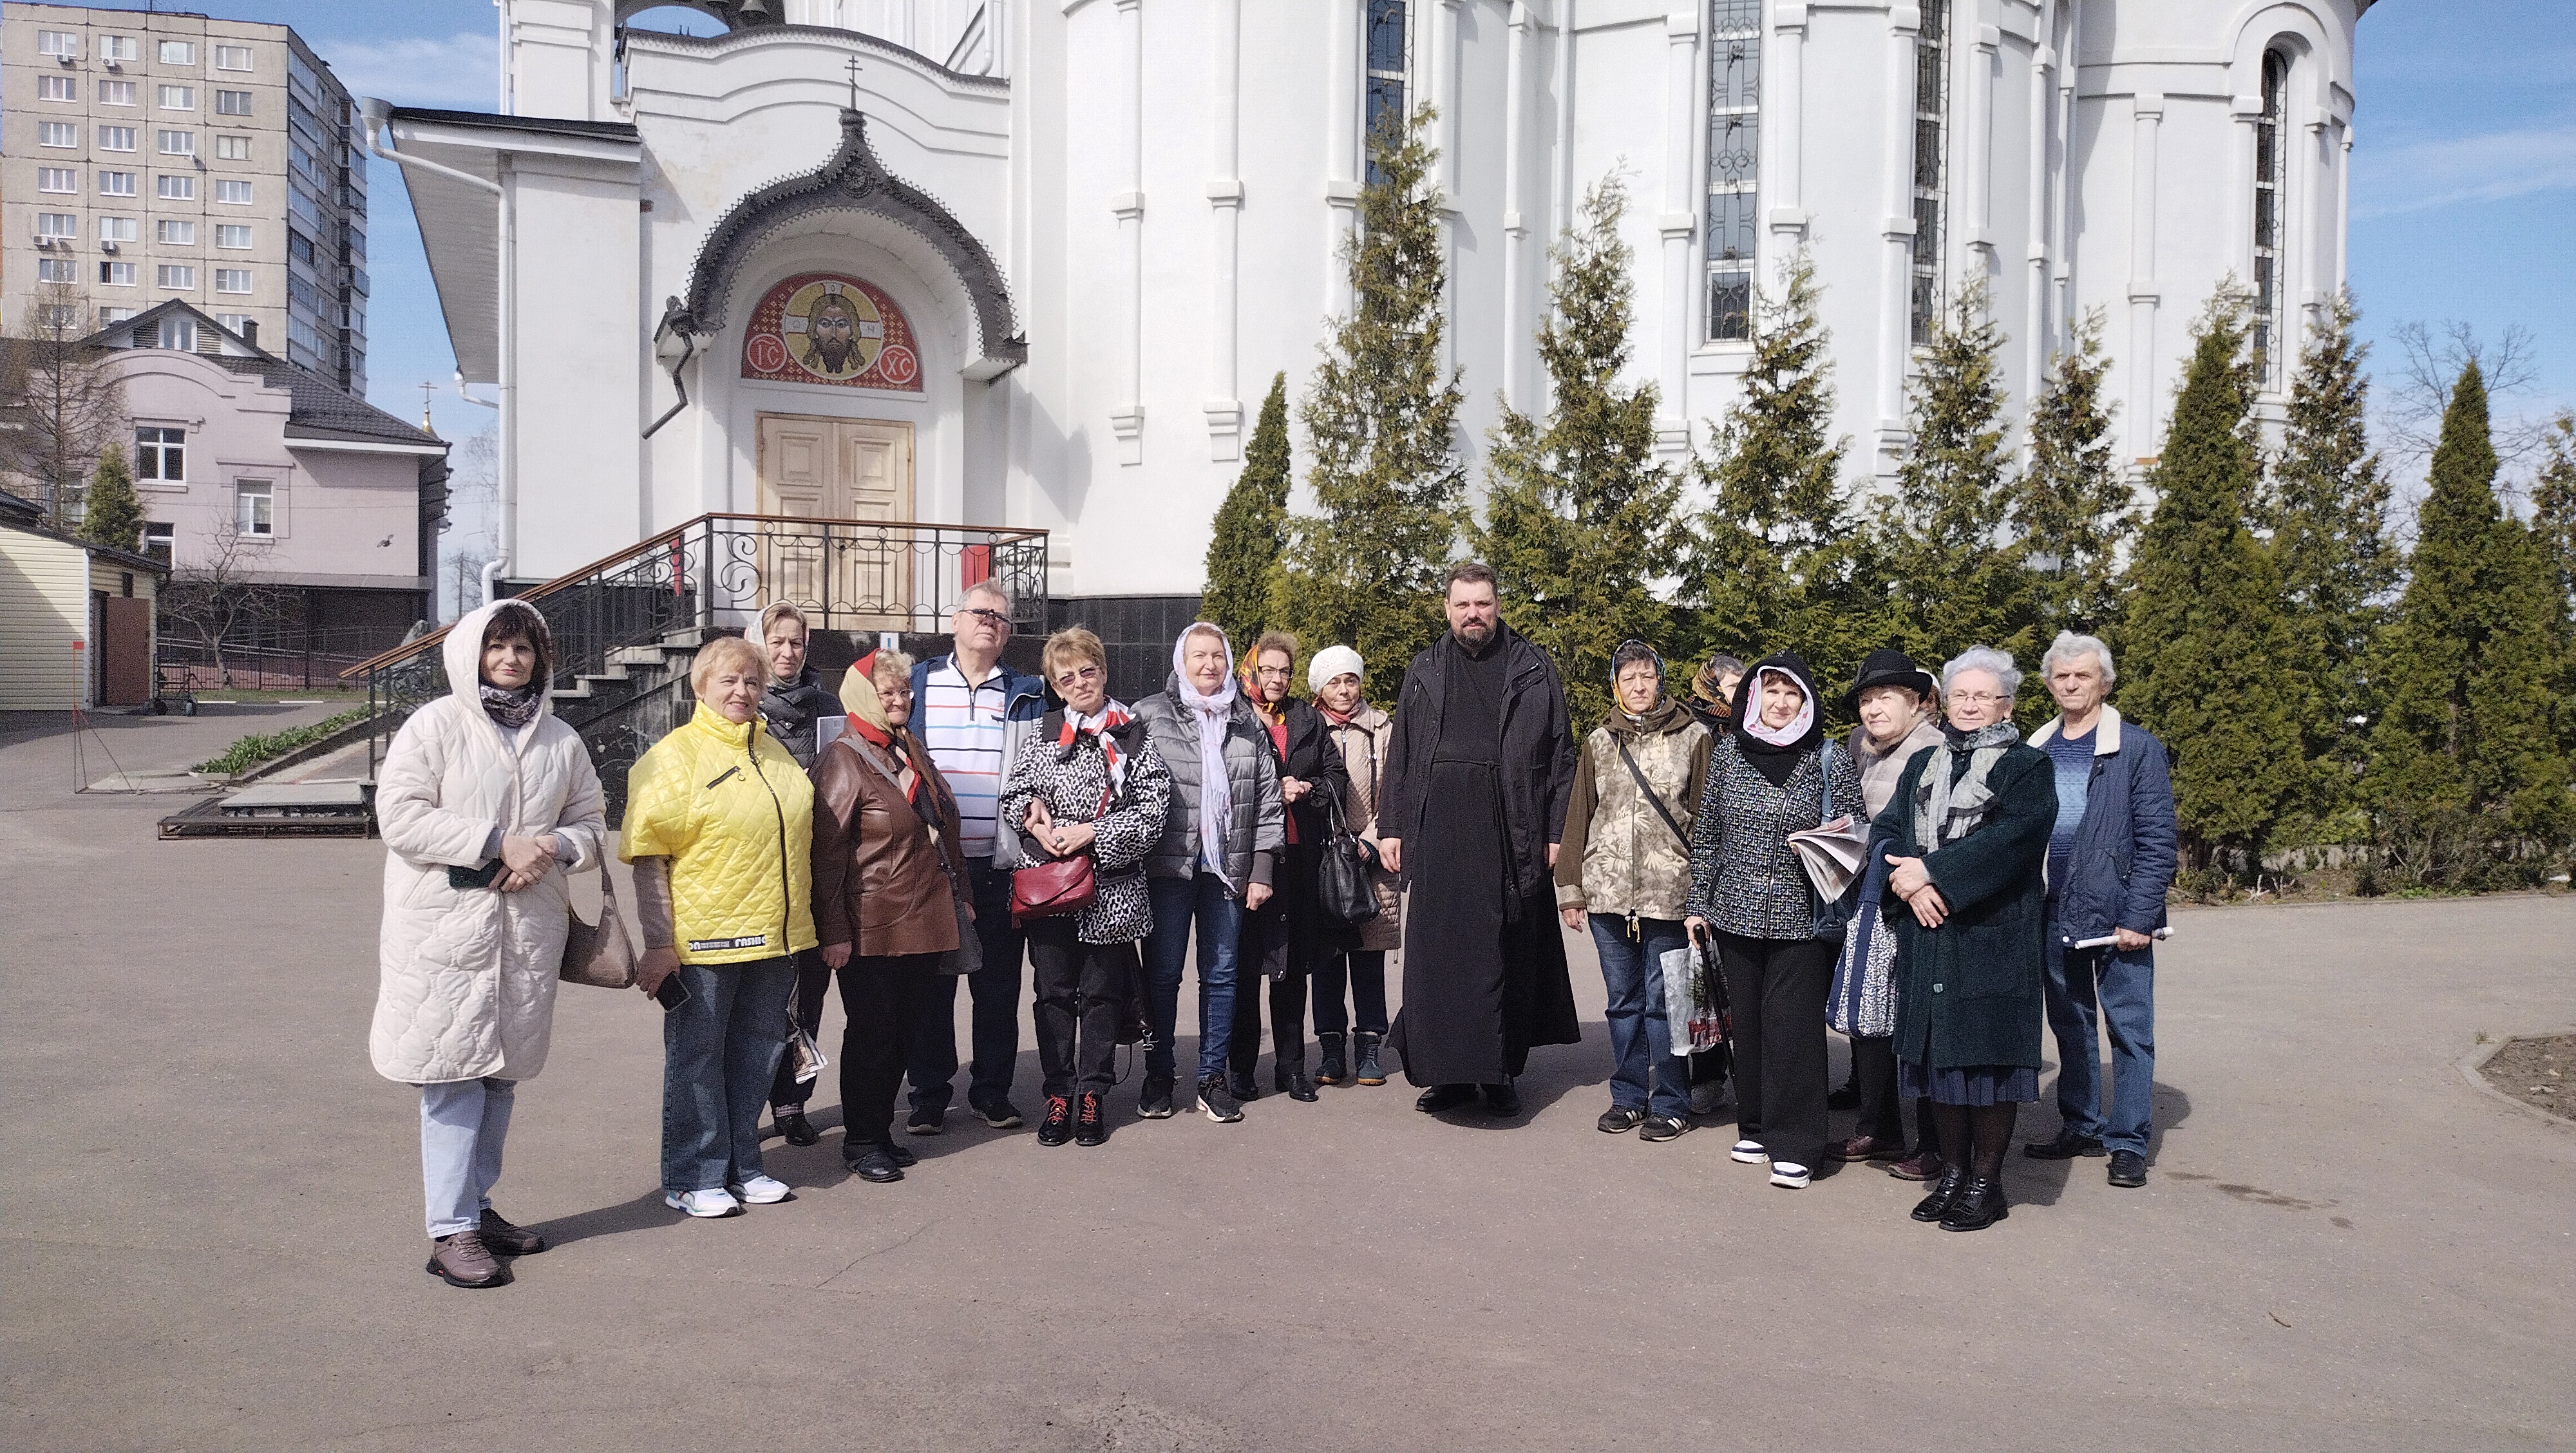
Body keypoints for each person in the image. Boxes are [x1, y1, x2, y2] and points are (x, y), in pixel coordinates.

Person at [374, 600, 607, 1289]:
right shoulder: (436, 726)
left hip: (527, 932)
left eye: (523, 648)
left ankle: (476, 1207)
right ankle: (450, 1230)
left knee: (500, 1075)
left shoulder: (560, 739)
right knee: (452, 1076)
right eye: (497, 646)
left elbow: (592, 824)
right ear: (473, 652)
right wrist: (496, 842)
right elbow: (400, 817)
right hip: (445, 934)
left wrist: (551, 849)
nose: (510, 659)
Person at [624, 634, 819, 1219]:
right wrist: (659, 944)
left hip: (774, 938)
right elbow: (649, 858)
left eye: (752, 681)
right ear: (701, 686)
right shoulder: (673, 758)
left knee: (758, 1055)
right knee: (698, 1059)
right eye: (729, 680)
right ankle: (693, 1175)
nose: (742, 691)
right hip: (703, 943)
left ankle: (744, 1166)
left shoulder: (776, 753)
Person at [1378, 562, 1582, 1117]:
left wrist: (1556, 833)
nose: (1474, 614)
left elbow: (1561, 756)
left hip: (1509, 825)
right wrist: (1392, 825)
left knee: (1503, 952)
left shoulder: (1533, 666)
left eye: (1483, 604)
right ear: (1447, 609)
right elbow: (1401, 755)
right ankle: (1447, 1076)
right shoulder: (1424, 667)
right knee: (1439, 958)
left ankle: (1499, 1075)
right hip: (1437, 830)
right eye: (1463, 605)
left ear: (1498, 606)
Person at [1871, 646, 2056, 1232]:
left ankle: (1986, 1183)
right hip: (1928, 935)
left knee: (1987, 1067)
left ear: (2007, 705)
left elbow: (2014, 839)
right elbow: (1888, 830)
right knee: (1941, 1067)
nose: (1970, 705)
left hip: (1990, 938)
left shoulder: (2027, 767)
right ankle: (1951, 1176)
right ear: (1944, 702)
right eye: (1960, 695)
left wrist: (1934, 874)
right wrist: (1909, 886)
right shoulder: (1925, 763)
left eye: (1983, 696)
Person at [1683, 652, 1865, 1190]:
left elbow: (1857, 832)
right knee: (1749, 1026)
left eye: (1793, 694)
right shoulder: (1729, 754)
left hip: (1802, 916)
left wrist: (1819, 839)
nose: (1782, 703)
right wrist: (1698, 903)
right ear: (1753, 698)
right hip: (1734, 912)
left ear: (1806, 703)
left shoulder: (1828, 758)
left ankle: (1799, 1144)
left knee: (1794, 1032)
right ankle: (1757, 1126)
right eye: (1773, 691)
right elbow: (1709, 834)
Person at [996, 627, 1175, 1146]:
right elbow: (1015, 793)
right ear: (1055, 686)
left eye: (1087, 671)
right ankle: (1059, 1094)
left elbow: (1153, 812)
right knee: (1052, 995)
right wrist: (1033, 818)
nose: (1079, 683)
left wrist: (1093, 833)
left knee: (1102, 996)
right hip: (1050, 887)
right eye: (1066, 677)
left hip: (1111, 889)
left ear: (1104, 671)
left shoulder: (1134, 735)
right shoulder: (1044, 732)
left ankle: (1093, 1094)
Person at [2023, 632, 2176, 1190]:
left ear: (2105, 683)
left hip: (2117, 913)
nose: (2071, 684)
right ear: (2048, 684)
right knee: (2070, 1022)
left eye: (2082, 675)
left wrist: (2140, 916)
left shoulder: (2136, 748)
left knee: (2130, 1029)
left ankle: (2128, 1141)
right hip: (2052, 908)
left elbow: (2158, 840)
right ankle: (2082, 1125)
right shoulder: (2035, 748)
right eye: (2061, 676)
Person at [811, 652, 970, 1185]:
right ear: (863, 699)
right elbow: (826, 855)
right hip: (871, 925)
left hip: (924, 919)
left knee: (905, 1032)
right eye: (887, 693)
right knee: (872, 1035)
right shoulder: (842, 759)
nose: (900, 701)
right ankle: (861, 1141)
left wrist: (964, 895)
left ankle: (880, 1132)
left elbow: (945, 825)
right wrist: (832, 931)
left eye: (904, 692)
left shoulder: (907, 748)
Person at [905, 582, 1049, 1133]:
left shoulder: (1028, 694)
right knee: (930, 990)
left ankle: (992, 1091)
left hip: (999, 865)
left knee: (996, 990)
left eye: (1000, 617)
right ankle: (928, 1094)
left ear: (1008, 634)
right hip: (932, 867)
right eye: (980, 612)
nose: (990, 621)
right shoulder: (917, 685)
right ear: (955, 621)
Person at [1556, 641, 1712, 1142]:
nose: (1639, 686)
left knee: (1664, 1004)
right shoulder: (1600, 740)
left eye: (1647, 676)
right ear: (1616, 685)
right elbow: (1580, 814)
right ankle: (1627, 1097)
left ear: (1660, 679)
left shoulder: (1694, 736)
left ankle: (1671, 1102)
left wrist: (1704, 895)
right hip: (1607, 892)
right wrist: (1571, 889)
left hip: (1669, 893)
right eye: (1629, 678)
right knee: (1622, 1004)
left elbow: (1707, 820)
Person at [1133, 622, 1281, 1121]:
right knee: (1162, 975)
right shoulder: (1150, 714)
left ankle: (1212, 1077)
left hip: (1227, 870)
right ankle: (1159, 1074)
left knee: (1221, 975)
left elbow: (1268, 800)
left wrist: (1262, 869)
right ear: (1181, 661)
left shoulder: (1246, 719)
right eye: (1198, 655)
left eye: (1217, 655)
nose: (1209, 665)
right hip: (1167, 867)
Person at [1830, 647, 1949, 1173]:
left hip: (1918, 901)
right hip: (1870, 898)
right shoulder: (1862, 745)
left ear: (1915, 702)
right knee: (1871, 1014)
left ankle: (1933, 1142)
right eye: (1866, 700)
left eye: (1885, 698)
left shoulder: (1935, 750)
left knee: (1920, 1021)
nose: (1873, 709)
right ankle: (1879, 1127)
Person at [1230, 632, 1350, 1103]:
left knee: (1291, 969)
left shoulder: (1305, 718)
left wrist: (1307, 789)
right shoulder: (1233, 716)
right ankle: (1241, 1070)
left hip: (1300, 857)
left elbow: (1336, 777)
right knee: (1244, 971)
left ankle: (1291, 1069)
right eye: (1269, 670)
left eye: (1284, 671)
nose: (1277, 679)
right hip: (1247, 859)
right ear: (1252, 669)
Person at [755, 602, 841, 1147]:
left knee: (808, 995)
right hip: (757, 873)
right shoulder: (740, 703)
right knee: (757, 999)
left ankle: (792, 1102)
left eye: (797, 642)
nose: (788, 652)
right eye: (777, 641)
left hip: (814, 869)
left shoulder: (827, 706)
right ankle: (745, 1103)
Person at [1309, 645, 1400, 1087]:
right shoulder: (1308, 726)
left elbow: (1397, 790)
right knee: (1326, 960)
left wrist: (1370, 840)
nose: (1344, 690)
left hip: (1372, 858)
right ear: (1319, 688)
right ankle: (1331, 1052)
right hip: (1323, 859)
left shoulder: (1382, 728)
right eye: (1334, 682)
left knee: (1369, 958)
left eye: (1351, 680)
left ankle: (1368, 1050)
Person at [1683, 652, 1746, 1114]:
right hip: (1696, 865)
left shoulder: (1748, 732)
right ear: (1709, 686)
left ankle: (1738, 1074)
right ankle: (1704, 1075)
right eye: (1732, 686)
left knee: (1732, 982)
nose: (1741, 695)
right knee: (1701, 981)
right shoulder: (1690, 729)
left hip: (1738, 871)